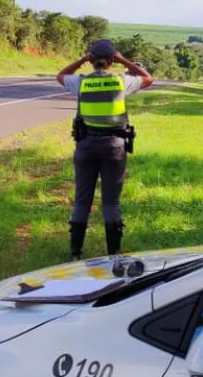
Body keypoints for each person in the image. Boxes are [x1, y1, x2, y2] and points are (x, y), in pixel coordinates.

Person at [56, 39, 153, 260]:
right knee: (110, 201)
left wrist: (81, 59)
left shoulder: (80, 82)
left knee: (82, 199)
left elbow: (60, 76)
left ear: (91, 60)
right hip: (114, 148)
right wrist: (123, 59)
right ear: (111, 60)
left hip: (86, 146)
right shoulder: (121, 82)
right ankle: (114, 254)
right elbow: (148, 78)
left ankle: (75, 253)